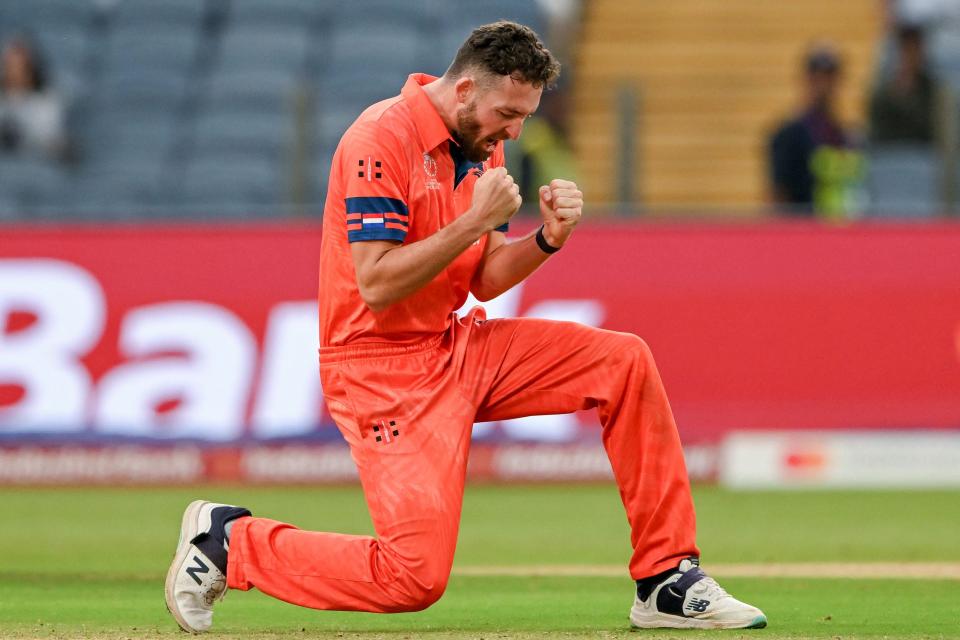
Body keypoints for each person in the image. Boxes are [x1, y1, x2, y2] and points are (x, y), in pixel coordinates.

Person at [164, 21, 767, 633]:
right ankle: (230, 544)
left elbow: (481, 277)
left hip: (452, 344)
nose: (516, 131)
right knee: (412, 577)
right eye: (509, 112)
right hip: (378, 368)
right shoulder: (380, 139)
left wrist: (546, 240)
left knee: (624, 361)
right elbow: (375, 283)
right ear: (463, 92)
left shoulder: (480, 140)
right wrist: (470, 222)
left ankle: (666, 576)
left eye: (525, 116)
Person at [768, 43, 864, 218]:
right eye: (817, 78)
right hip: (806, 233)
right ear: (806, 80)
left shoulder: (847, 135)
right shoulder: (789, 135)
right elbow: (779, 195)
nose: (823, 86)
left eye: (829, 78)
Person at [0, 35, 69, 162]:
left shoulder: (45, 100)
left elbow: (50, 135)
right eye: (10, 64)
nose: (15, 71)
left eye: (20, 65)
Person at [869, 24, 937, 143]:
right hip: (890, 154)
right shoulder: (883, 91)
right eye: (907, 49)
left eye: (915, 48)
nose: (911, 56)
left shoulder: (932, 90)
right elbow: (877, 130)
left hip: (924, 154)